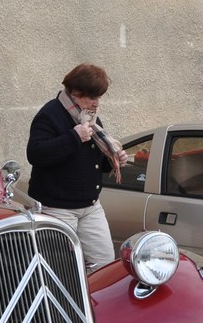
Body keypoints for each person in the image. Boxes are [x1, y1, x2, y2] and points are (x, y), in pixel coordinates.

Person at [26, 63, 128, 268]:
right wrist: (73, 136)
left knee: (104, 263)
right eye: (92, 97)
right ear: (75, 92)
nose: (96, 103)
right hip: (57, 208)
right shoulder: (50, 114)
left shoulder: (90, 118)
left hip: (90, 207)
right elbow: (35, 154)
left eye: (99, 97)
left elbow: (92, 162)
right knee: (60, 269)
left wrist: (113, 160)